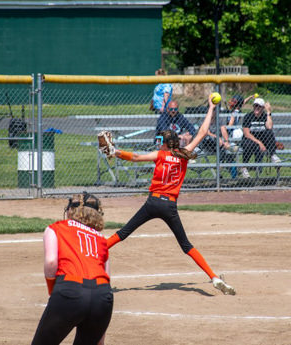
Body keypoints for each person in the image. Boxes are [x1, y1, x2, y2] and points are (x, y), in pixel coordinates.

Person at [105, 95, 236, 295]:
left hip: (153, 202)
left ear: (166, 144)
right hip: (170, 206)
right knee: (186, 246)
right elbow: (202, 132)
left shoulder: (160, 155)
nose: (159, 144)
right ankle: (214, 276)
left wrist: (114, 151)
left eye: (161, 142)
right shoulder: (183, 154)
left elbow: (136, 157)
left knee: (123, 233)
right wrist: (211, 108)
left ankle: (96, 251)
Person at [32, 192, 113, 345]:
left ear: (71, 210)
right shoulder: (101, 239)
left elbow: (51, 263)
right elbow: (107, 279)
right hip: (102, 298)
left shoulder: (56, 228)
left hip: (70, 290)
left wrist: (53, 291)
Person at [240, 97, 281, 178]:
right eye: (255, 106)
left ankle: (272, 155)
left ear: (263, 108)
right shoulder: (248, 116)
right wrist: (259, 143)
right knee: (249, 144)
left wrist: (269, 112)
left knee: (269, 133)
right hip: (250, 139)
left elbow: (269, 127)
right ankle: (244, 167)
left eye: (259, 106)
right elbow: (246, 133)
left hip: (262, 139)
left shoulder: (265, 116)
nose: (256, 108)